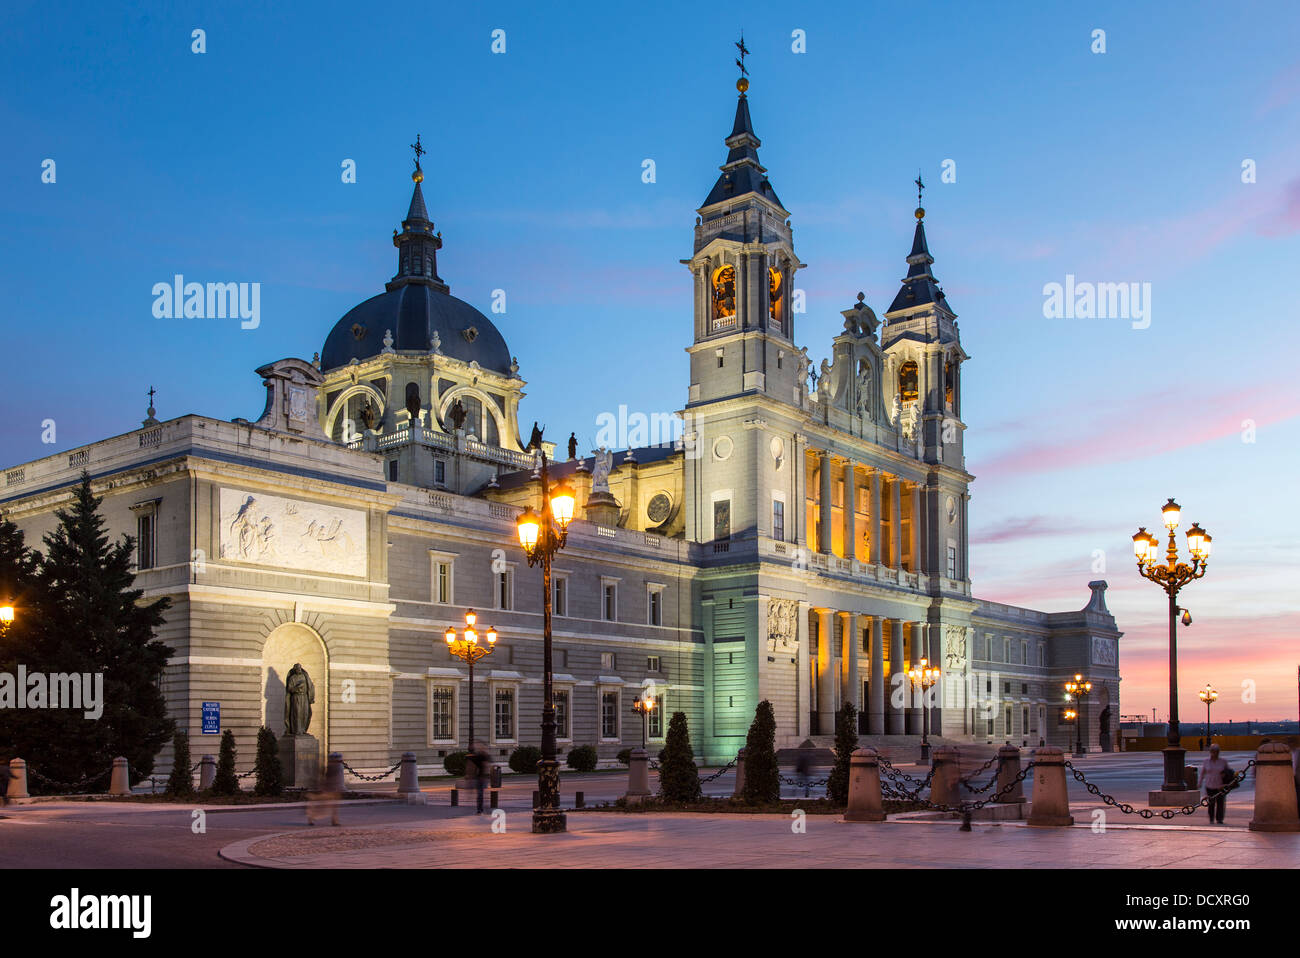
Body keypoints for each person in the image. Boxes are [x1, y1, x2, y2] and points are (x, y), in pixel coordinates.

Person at [1199, 743, 1231, 825]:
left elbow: (1229, 772)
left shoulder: (1223, 761)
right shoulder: (1206, 761)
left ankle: (1219, 819)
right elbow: (1203, 773)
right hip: (1209, 785)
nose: (1215, 753)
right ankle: (1211, 818)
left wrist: (1226, 777)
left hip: (1220, 786)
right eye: (1213, 751)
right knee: (1211, 803)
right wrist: (1200, 782)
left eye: (1216, 751)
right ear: (1210, 752)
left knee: (1220, 803)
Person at [471, 741, 492, 814]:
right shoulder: (479, 755)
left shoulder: (484, 756)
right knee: (480, 794)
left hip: (482, 777)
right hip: (480, 777)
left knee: (480, 794)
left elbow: (486, 765)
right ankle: (481, 809)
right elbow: (474, 766)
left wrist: (485, 774)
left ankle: (481, 809)